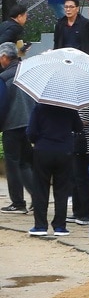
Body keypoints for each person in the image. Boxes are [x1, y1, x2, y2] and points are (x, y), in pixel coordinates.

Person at [26, 102, 83, 237]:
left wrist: (36, 140)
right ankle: (60, 226)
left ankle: (40, 225)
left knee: (40, 188)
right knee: (62, 190)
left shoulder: (39, 107)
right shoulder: (70, 107)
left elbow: (31, 132)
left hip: (43, 150)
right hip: (65, 151)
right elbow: (79, 127)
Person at [0, 42, 35, 214]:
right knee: (25, 163)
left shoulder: (5, 77)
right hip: (29, 123)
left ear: (5, 57)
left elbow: (2, 104)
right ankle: (37, 198)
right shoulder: (27, 71)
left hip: (12, 124)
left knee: (12, 163)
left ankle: (18, 203)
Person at [71, 106, 89, 225]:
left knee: (83, 179)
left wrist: (67, 121)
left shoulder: (88, 104)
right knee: (75, 179)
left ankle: (88, 212)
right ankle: (78, 211)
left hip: (87, 146)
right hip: (77, 145)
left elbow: (82, 122)